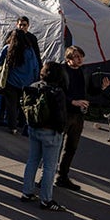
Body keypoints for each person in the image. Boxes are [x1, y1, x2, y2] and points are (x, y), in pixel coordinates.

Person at [20, 62, 70, 211]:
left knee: (32, 161)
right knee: (49, 167)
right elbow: (60, 116)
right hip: (51, 132)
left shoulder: (34, 86)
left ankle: (27, 192)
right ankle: (46, 200)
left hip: (34, 129)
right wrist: (61, 130)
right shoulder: (57, 91)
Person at [55, 46, 91, 191]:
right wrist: (72, 101)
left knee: (71, 148)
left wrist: (102, 87)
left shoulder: (84, 71)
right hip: (64, 113)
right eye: (76, 56)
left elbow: (90, 90)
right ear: (68, 59)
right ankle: (47, 175)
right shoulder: (61, 71)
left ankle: (62, 176)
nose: (79, 59)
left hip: (79, 115)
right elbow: (57, 91)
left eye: (81, 56)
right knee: (55, 146)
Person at [0, 23, 40, 135]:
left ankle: (12, 127)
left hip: (11, 81)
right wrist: (35, 79)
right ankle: (22, 123)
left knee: (11, 104)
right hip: (27, 82)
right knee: (23, 104)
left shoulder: (8, 48)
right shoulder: (30, 50)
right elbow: (35, 66)